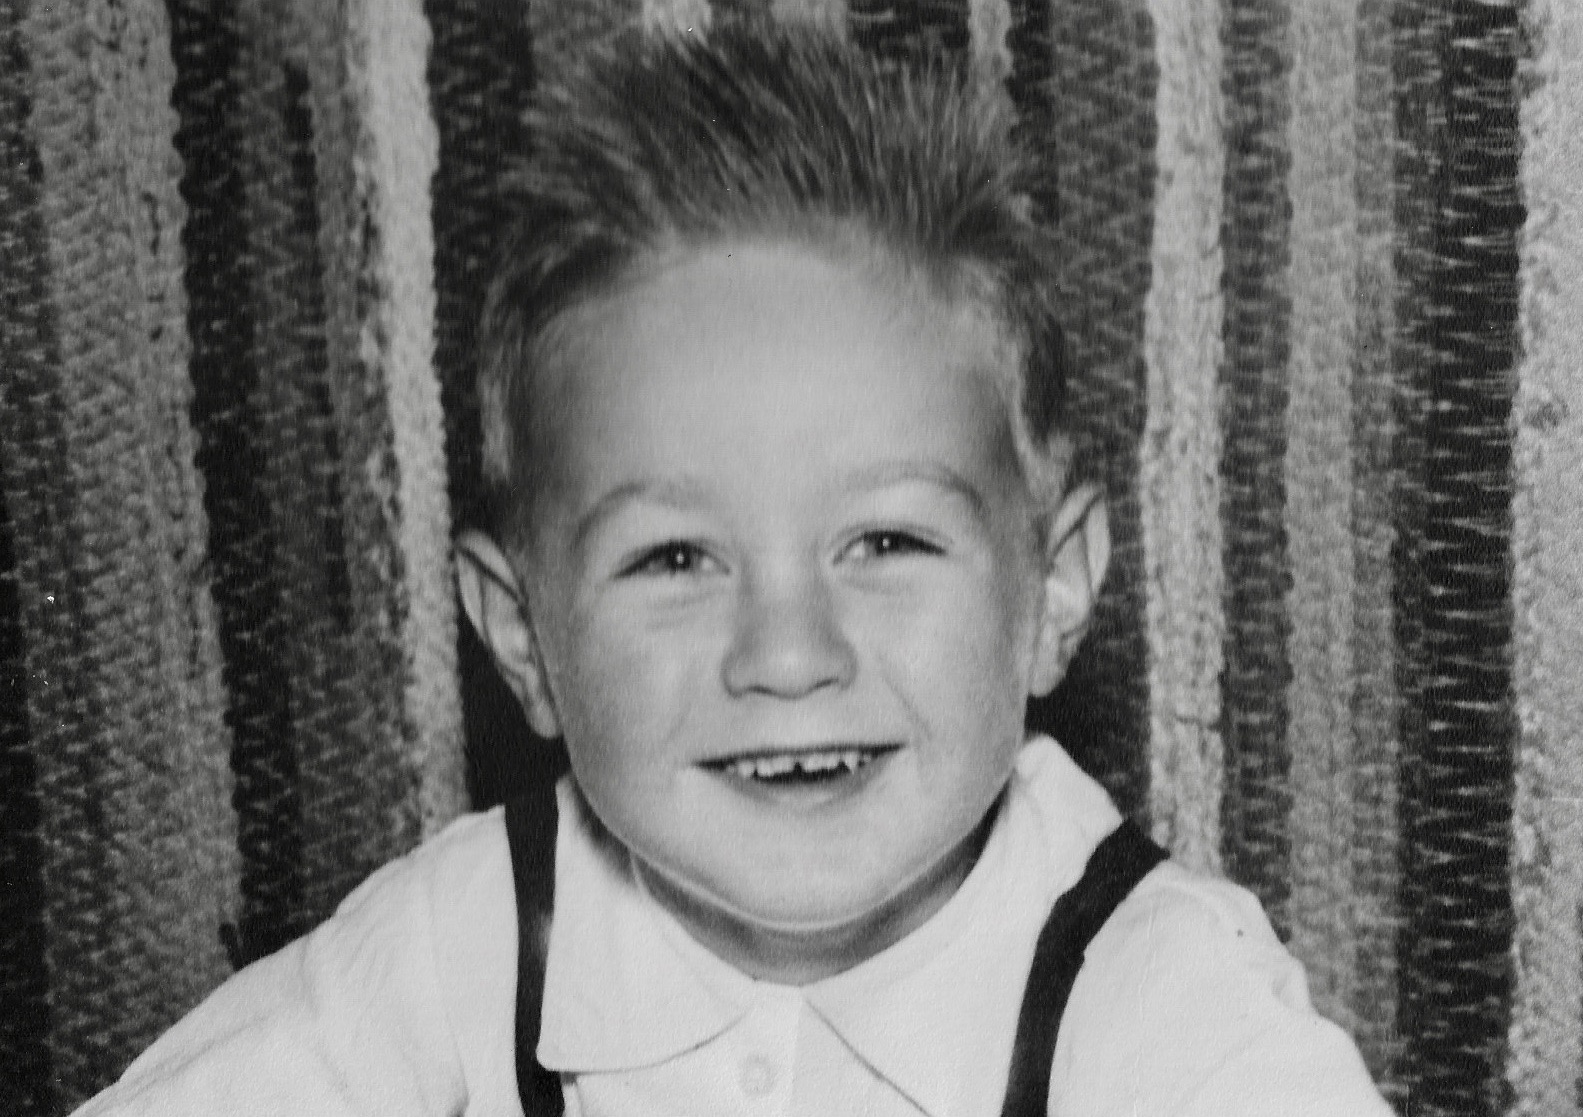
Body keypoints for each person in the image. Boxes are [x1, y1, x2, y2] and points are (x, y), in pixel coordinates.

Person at [75, 17, 1393, 1117]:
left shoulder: (1158, 1003)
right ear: (522, 635)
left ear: (1051, 587)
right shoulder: (464, 943)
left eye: (885, 541)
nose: (787, 653)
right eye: (674, 558)